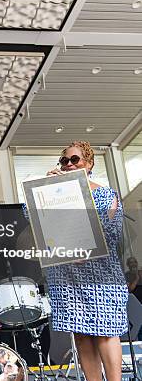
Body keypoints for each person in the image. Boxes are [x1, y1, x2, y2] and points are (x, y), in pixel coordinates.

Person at [45, 141, 128, 381]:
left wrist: (86, 250)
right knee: (81, 335)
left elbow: (110, 233)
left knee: (105, 332)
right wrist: (48, 187)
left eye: (74, 160)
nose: (68, 165)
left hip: (101, 275)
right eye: (64, 161)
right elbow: (32, 217)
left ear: (89, 164)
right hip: (67, 276)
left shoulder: (104, 194)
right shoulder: (52, 194)